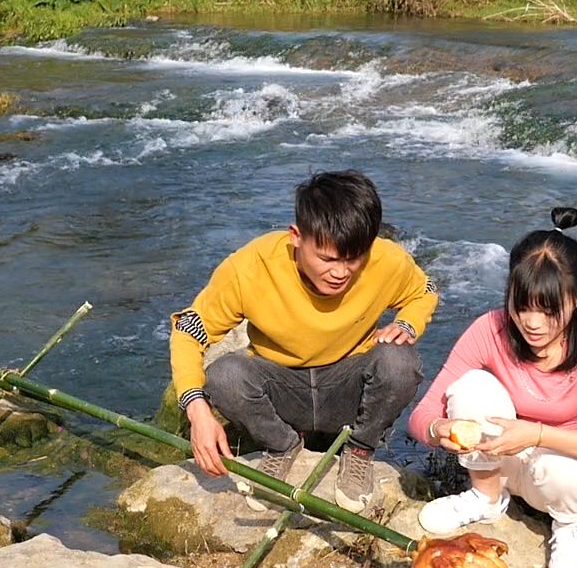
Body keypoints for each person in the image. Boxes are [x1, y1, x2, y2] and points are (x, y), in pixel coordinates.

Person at [170, 170, 439, 510]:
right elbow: (188, 331)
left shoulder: (385, 259)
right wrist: (196, 411)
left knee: (400, 361)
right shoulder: (251, 267)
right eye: (327, 258)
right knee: (225, 375)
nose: (340, 272)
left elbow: (424, 290)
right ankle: (281, 444)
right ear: (296, 236)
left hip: (346, 384)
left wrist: (408, 323)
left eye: (353, 259)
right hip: (283, 386)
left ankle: (358, 451)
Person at [406, 208, 577, 568]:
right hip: (500, 461)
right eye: (522, 306)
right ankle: (485, 497)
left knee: (568, 473)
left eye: (549, 311)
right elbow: (421, 416)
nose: (532, 323)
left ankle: (566, 523)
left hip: (561, 471)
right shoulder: (490, 328)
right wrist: (441, 429)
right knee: (470, 387)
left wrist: (536, 434)